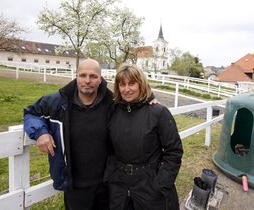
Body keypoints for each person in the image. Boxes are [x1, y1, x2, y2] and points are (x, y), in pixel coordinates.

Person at [23, 58, 113, 210]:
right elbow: (31, 113)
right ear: (76, 76)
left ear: (100, 79)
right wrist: (40, 132)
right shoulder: (59, 101)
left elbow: (135, 98)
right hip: (75, 186)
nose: (87, 80)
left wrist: (150, 98)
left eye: (93, 76)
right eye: (83, 75)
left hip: (107, 184)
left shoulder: (112, 102)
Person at [105, 64, 183, 210]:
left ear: (141, 84)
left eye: (132, 83)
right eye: (122, 84)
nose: (126, 89)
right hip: (119, 186)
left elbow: (174, 151)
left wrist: (161, 184)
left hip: (150, 185)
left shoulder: (158, 112)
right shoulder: (112, 111)